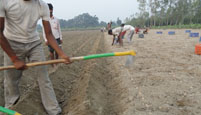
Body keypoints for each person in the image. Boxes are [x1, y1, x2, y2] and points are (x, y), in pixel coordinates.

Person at [0, 0, 71, 115]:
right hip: (12, 43)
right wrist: (14, 59)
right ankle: (10, 109)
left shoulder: (41, 5)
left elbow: (48, 34)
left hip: (34, 43)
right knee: (11, 81)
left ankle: (53, 110)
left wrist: (62, 54)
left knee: (44, 77)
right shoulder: (5, 2)